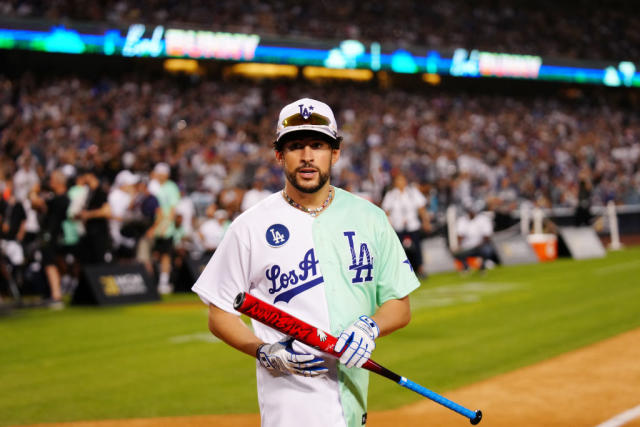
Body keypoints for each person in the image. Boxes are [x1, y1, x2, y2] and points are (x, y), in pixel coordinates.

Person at [192, 98, 420, 427]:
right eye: (296, 146)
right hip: (290, 407)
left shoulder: (370, 218)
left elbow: (399, 306)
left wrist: (369, 329)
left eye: (318, 145)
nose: (308, 156)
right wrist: (262, 350)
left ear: (335, 153)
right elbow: (219, 312)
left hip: (353, 402)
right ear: (279, 155)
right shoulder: (250, 226)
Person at [381, 172, 431, 277]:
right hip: (397, 226)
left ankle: (420, 269)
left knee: (417, 249)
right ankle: (402, 272)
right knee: (399, 250)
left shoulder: (412, 192)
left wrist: (426, 222)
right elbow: (385, 211)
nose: (401, 182)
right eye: (398, 180)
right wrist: (388, 224)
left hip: (412, 225)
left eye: (402, 180)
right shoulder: (391, 195)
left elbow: (421, 208)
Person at [453, 201, 496, 273]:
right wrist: (459, 246)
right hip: (467, 246)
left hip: (480, 245)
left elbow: (487, 237)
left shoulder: (483, 219)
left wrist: (479, 245)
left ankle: (483, 265)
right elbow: (459, 236)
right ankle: (466, 267)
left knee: (487, 249)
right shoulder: (462, 220)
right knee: (456, 251)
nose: (470, 212)